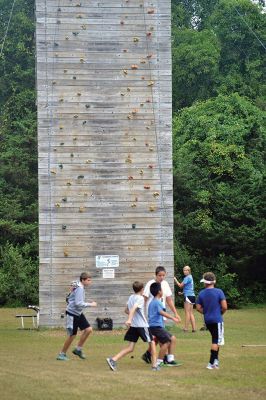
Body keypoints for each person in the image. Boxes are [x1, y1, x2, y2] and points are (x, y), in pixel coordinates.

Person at [106, 281, 159, 371]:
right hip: (142, 326)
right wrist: (130, 319)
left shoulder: (131, 297)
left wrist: (132, 317)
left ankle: (113, 359)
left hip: (134, 326)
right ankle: (154, 366)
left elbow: (126, 310)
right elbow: (134, 308)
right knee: (153, 343)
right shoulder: (140, 298)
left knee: (130, 348)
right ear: (142, 289)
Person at [142, 266, 181, 364]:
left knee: (159, 337)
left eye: (163, 275)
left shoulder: (165, 284)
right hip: (153, 315)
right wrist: (142, 314)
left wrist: (176, 313)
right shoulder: (151, 284)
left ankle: (149, 354)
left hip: (161, 315)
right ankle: (163, 358)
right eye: (160, 275)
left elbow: (169, 300)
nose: (162, 277)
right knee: (164, 338)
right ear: (155, 275)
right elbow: (144, 299)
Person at [57, 272, 97, 361]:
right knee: (72, 335)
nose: (90, 282)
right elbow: (78, 303)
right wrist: (91, 304)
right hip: (72, 314)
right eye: (88, 280)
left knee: (88, 329)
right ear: (83, 280)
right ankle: (62, 354)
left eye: (90, 280)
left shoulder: (77, 284)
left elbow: (70, 295)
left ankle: (78, 349)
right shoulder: (80, 288)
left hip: (78, 313)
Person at [196, 272, 227, 370]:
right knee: (216, 341)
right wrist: (220, 313)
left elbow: (198, 308)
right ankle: (210, 363)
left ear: (205, 282)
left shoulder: (201, 293)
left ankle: (216, 362)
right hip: (217, 320)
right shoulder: (219, 292)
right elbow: (225, 307)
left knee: (216, 340)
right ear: (214, 281)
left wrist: (206, 312)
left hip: (208, 321)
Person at [148, 282, 182, 367]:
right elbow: (161, 312)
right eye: (162, 290)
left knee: (172, 338)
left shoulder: (152, 302)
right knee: (167, 341)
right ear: (160, 292)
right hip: (156, 327)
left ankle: (170, 359)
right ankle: (159, 361)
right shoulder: (157, 302)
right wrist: (173, 318)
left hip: (155, 326)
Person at [174, 265, 196, 332]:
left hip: (188, 296)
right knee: (191, 313)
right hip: (192, 296)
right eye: (184, 270)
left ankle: (186, 328)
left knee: (187, 313)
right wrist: (182, 293)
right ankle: (194, 329)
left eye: (186, 270)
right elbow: (189, 288)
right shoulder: (191, 277)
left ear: (189, 271)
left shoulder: (187, 277)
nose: (184, 271)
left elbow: (180, 286)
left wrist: (175, 279)